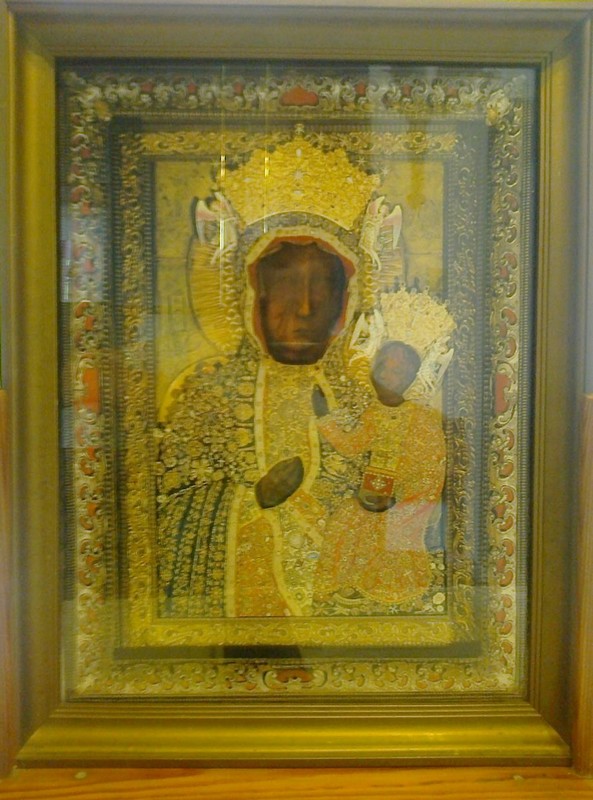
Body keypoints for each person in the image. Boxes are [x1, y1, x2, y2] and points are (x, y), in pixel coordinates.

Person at [156, 237, 360, 618]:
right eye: (286, 285)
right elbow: (161, 520)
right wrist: (251, 502)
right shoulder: (206, 399)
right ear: (255, 296)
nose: (304, 307)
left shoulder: (363, 405)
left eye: (321, 287)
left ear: (345, 302)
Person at [313, 339, 447, 610]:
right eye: (383, 367)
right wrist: (323, 416)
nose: (387, 376)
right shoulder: (373, 413)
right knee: (345, 518)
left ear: (411, 377)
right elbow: (352, 445)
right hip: (371, 493)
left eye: (397, 371)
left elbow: (432, 469)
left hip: (405, 502)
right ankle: (342, 585)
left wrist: (399, 499)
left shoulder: (424, 418)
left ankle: (389, 592)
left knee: (386, 533)